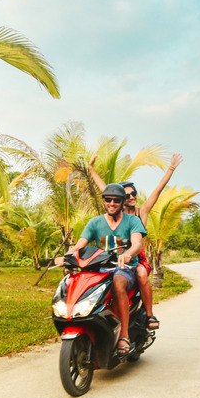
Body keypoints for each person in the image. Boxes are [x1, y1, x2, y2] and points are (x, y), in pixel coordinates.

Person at [88, 152, 183, 330]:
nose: (132, 197)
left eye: (134, 194)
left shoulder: (142, 212)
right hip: (116, 257)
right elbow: (105, 189)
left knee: (140, 273)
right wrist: (91, 168)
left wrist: (171, 168)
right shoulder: (117, 213)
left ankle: (149, 314)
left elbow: (158, 190)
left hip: (138, 258)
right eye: (128, 195)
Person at [56, 183, 146, 355]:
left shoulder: (132, 220)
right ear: (104, 201)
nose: (112, 203)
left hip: (124, 267)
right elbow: (80, 245)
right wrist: (66, 256)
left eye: (116, 200)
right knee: (79, 282)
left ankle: (124, 336)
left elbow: (137, 243)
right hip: (100, 267)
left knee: (118, 283)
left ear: (122, 202)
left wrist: (128, 254)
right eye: (108, 200)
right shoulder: (95, 222)